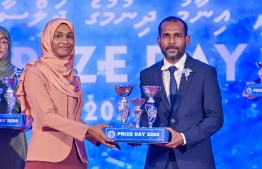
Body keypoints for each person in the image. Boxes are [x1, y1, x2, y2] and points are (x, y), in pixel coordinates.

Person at [16, 18, 120, 169]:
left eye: (69, 36)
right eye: (58, 36)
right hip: (46, 159)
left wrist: (101, 136)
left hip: (77, 158)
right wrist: (89, 130)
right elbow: (47, 117)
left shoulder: (73, 76)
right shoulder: (35, 72)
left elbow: (74, 120)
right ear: (47, 39)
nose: (65, 41)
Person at [138, 16, 224, 169]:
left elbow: (215, 117)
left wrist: (183, 138)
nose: (171, 42)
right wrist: (139, 134)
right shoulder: (147, 75)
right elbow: (146, 116)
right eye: (166, 36)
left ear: (187, 39)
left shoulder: (205, 72)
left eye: (177, 35)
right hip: (157, 162)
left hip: (196, 161)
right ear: (159, 41)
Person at [0, 26, 28, 169]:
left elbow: (30, 111)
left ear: (9, 45)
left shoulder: (21, 75)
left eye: (3, 41)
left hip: (13, 138)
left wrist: (27, 119)